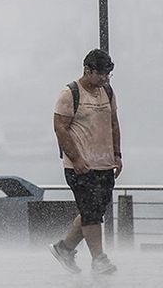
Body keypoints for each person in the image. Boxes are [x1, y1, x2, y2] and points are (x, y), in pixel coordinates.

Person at [50, 49, 122, 275]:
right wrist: (77, 158)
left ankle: (64, 249)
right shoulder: (70, 93)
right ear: (87, 70)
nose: (104, 79)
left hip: (105, 163)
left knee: (94, 211)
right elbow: (60, 128)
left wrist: (117, 155)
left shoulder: (108, 92)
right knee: (90, 210)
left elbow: (113, 123)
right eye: (100, 74)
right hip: (79, 166)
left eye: (107, 75)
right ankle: (99, 260)